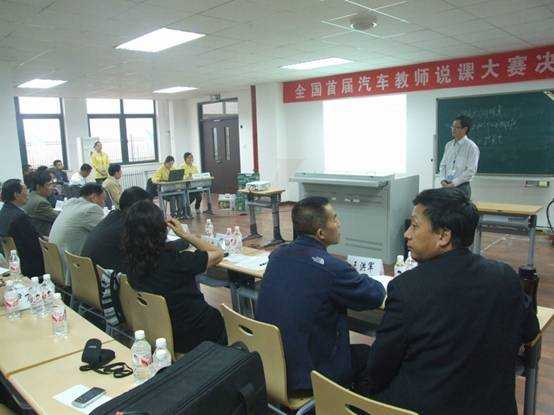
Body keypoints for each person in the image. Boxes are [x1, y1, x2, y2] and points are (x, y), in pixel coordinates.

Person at [362, 188, 540, 415]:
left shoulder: (407, 288)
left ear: (443, 236)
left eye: (415, 226)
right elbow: (530, 332)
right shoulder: (505, 275)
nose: (406, 234)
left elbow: (380, 366)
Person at [256, 196, 386, 393]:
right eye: (334, 218)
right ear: (321, 233)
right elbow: (375, 295)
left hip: (270, 365)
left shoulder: (277, 255)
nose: (339, 223)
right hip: (308, 376)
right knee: (369, 357)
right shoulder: (332, 269)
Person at [122, 200, 226, 353]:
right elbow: (218, 253)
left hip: (160, 332)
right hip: (195, 333)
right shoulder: (176, 262)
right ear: (161, 229)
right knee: (220, 318)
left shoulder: (131, 263)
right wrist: (184, 234)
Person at [82, 186, 152, 273]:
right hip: (105, 277)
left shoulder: (113, 217)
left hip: (90, 274)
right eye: (148, 208)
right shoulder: (127, 226)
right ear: (137, 208)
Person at [49, 183, 105, 284]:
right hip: (73, 265)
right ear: (93, 197)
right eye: (103, 199)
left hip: (57, 260)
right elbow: (105, 232)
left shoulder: (70, 204)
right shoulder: (91, 209)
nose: (103, 203)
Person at [0, 179, 44, 276]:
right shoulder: (20, 217)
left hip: (13, 261)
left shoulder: (3, 212)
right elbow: (36, 244)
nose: (28, 193)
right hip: (30, 266)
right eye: (25, 189)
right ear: (16, 194)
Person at [439, 114, 479, 199]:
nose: (453, 129)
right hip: (446, 185)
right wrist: (442, 180)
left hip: (461, 187)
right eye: (452, 127)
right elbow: (442, 165)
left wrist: (454, 183)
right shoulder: (448, 145)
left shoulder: (471, 147)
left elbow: (471, 170)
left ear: (465, 129)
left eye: (457, 127)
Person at [22, 171, 59, 237]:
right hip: (44, 237)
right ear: (38, 187)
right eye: (49, 185)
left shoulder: (30, 196)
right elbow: (58, 218)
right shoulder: (41, 202)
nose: (52, 187)